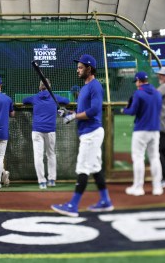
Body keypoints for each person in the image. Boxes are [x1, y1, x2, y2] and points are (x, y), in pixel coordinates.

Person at [51, 54, 114, 217]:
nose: (77, 70)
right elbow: (81, 112)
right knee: (95, 168)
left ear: (89, 68)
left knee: (83, 168)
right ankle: (105, 201)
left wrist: (73, 117)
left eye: (80, 67)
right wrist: (68, 113)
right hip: (88, 132)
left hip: (91, 133)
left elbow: (94, 111)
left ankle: (73, 205)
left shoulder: (95, 86)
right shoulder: (85, 87)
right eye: (77, 67)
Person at [121, 71, 163, 196]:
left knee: (138, 158)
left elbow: (132, 111)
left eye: (136, 82)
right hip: (155, 129)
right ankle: (157, 187)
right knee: (155, 157)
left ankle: (138, 187)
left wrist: (125, 110)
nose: (136, 84)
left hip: (141, 129)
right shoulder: (157, 93)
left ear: (139, 81)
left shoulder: (138, 93)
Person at [23, 79, 70, 189]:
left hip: (37, 130)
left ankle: (42, 182)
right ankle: (52, 180)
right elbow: (67, 101)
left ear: (40, 87)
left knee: (38, 156)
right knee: (51, 155)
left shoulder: (34, 97)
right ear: (50, 87)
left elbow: (24, 100)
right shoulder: (55, 97)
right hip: (50, 130)